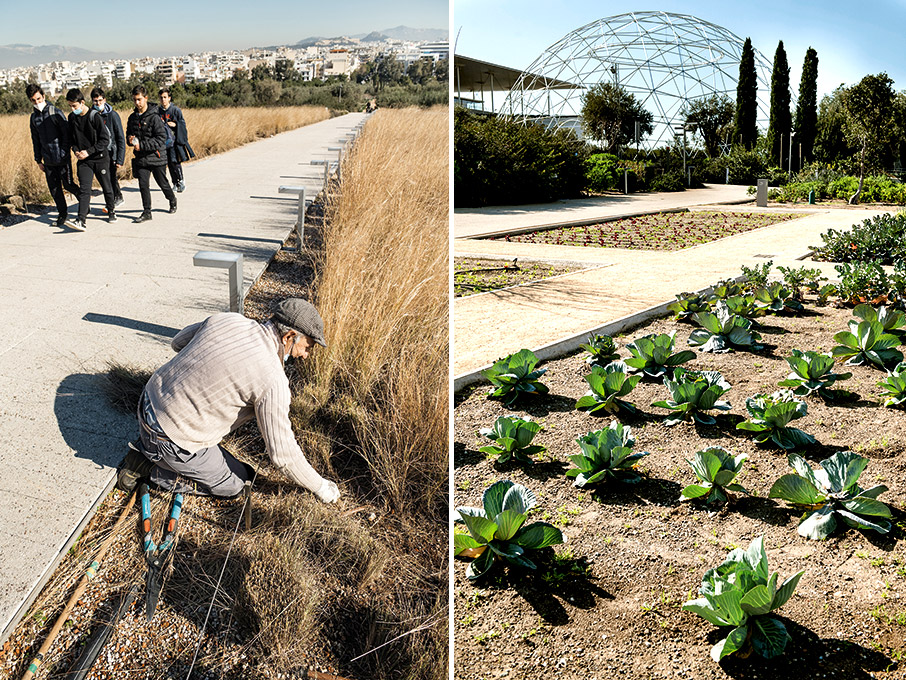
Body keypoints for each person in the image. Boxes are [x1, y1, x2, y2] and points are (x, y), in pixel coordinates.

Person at [117, 298, 340, 503]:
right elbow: (282, 454)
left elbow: (178, 342)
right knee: (235, 485)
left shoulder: (229, 319)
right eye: (307, 347)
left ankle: (158, 452)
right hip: (169, 438)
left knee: (245, 472)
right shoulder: (273, 379)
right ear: (289, 336)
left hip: (147, 400)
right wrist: (320, 487)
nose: (305, 355)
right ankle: (147, 467)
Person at [26, 83, 81, 230]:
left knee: (69, 185)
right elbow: (35, 140)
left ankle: (84, 205)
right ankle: (62, 214)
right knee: (54, 189)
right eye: (33, 100)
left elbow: (66, 135)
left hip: (62, 158)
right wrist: (38, 160)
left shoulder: (54, 112)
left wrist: (64, 153)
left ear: (43, 96)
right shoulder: (33, 118)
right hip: (48, 160)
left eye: (39, 98)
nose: (37, 102)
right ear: (30, 101)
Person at [66, 88, 116, 229]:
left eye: (74, 106)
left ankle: (111, 211)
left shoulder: (94, 117)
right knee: (84, 189)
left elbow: (105, 140)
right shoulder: (71, 118)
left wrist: (89, 151)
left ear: (82, 102)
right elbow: (71, 139)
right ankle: (81, 219)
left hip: (100, 158)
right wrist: (76, 151)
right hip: (84, 160)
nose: (72, 109)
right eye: (70, 106)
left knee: (106, 186)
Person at [125, 85, 177, 223]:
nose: (137, 103)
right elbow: (128, 135)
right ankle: (147, 212)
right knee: (143, 185)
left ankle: (172, 199)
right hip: (141, 159)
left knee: (163, 183)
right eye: (135, 100)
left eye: (140, 99)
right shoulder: (132, 118)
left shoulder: (155, 117)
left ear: (146, 98)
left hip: (157, 157)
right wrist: (130, 140)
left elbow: (160, 139)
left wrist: (141, 145)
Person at [90, 86, 126, 208]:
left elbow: (120, 137)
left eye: (100, 100)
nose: (98, 103)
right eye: (95, 101)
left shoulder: (112, 115)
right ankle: (111, 199)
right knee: (104, 178)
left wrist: (120, 158)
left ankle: (117, 197)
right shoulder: (92, 115)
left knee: (111, 176)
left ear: (104, 100)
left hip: (111, 152)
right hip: (98, 152)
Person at [158, 87, 194, 192]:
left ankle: (181, 181)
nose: (163, 100)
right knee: (168, 163)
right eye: (161, 98)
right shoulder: (158, 111)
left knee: (175, 161)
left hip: (174, 141)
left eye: (165, 97)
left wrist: (175, 124)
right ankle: (174, 182)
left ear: (169, 98)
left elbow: (182, 124)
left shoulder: (175, 110)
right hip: (164, 142)